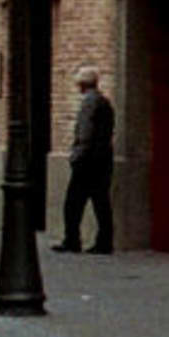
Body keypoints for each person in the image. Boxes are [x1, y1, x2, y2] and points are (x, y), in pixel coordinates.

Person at [56, 64, 116, 254]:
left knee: (72, 203)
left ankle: (72, 240)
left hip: (87, 161)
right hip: (103, 159)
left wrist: (76, 156)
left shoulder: (89, 103)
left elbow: (85, 133)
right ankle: (105, 241)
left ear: (81, 84)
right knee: (101, 202)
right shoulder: (105, 103)